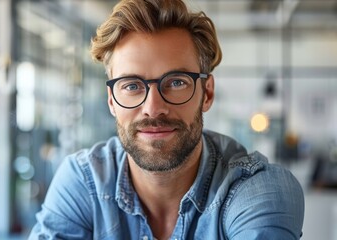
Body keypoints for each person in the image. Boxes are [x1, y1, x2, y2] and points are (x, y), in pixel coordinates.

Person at [29, 0, 305, 239]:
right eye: (132, 85)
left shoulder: (257, 189)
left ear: (206, 93)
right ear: (112, 100)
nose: (153, 108)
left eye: (175, 82)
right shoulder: (83, 181)